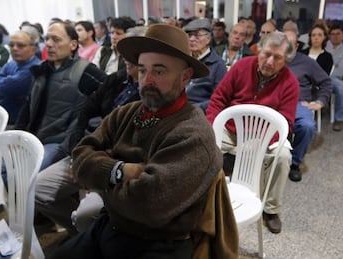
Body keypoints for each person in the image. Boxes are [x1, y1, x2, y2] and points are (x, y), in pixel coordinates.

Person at [51, 24, 238, 258]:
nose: (147, 80)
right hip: (110, 226)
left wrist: (99, 176)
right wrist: (121, 171)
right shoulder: (128, 112)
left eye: (159, 71)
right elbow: (80, 156)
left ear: (185, 77)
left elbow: (149, 205)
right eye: (142, 70)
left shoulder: (193, 133)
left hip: (158, 244)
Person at [35, 26, 145, 236]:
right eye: (128, 53)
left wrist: (93, 165)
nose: (129, 58)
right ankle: (83, 235)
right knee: (37, 189)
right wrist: (79, 154)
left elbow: (132, 143)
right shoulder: (116, 80)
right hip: (87, 150)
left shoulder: (150, 91)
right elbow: (84, 113)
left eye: (136, 53)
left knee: (87, 213)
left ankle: (91, 234)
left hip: (114, 163)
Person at [206, 31, 299, 234]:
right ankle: (202, 197)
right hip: (231, 130)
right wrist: (213, 127)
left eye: (277, 58)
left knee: (283, 157)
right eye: (266, 54)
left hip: (263, 137)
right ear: (258, 49)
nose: (269, 61)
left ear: (286, 61)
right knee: (202, 145)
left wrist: (259, 142)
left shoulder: (290, 82)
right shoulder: (241, 67)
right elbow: (218, 100)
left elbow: (286, 122)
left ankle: (271, 209)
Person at [14, 21, 106, 171]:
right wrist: (16, 135)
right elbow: (27, 107)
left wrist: (78, 141)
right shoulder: (41, 71)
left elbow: (108, 102)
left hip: (60, 142)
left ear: (73, 45)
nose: (49, 44)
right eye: (47, 39)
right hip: (34, 137)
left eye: (56, 40)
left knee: (25, 172)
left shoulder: (86, 72)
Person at [284, 30, 332, 182]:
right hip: (275, 101)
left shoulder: (307, 63)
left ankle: (295, 163)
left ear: (297, 46)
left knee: (307, 126)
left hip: (298, 102)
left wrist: (320, 102)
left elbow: (326, 82)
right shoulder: (273, 58)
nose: (285, 48)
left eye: (289, 45)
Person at [0, 30, 41, 125]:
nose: (14, 49)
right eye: (11, 45)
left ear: (33, 49)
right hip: (0, 119)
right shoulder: (11, 64)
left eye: (20, 45)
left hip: (18, 125)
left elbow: (4, 86)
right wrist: (3, 82)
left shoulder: (34, 69)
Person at [183, 18, 227, 112]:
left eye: (196, 35)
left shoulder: (218, 65)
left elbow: (219, 99)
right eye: (190, 35)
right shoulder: (183, 59)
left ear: (208, 39)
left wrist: (194, 108)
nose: (191, 39)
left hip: (198, 112)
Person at [326, 23, 343, 131]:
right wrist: (333, 64)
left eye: (338, 34)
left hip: (333, 78)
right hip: (319, 75)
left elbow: (340, 71)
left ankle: (339, 119)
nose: (335, 36)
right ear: (329, 36)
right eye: (332, 34)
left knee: (341, 88)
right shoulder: (324, 46)